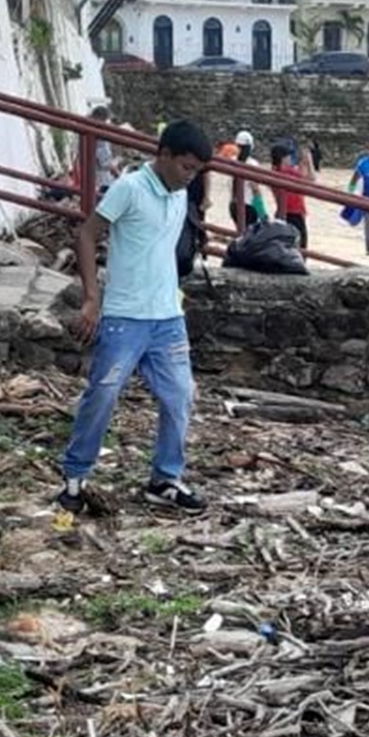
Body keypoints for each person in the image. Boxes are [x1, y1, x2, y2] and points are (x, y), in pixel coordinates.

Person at [56, 120, 213, 518]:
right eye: (186, 167)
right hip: (125, 316)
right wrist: (92, 298)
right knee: (103, 394)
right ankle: (75, 476)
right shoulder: (129, 188)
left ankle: (165, 479)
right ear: (164, 155)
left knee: (180, 396)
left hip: (168, 317)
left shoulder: (180, 193)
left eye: (197, 170)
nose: (190, 176)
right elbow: (87, 234)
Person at [269, 140, 311, 249]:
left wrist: (303, 163)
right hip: (294, 214)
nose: (290, 158)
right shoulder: (287, 172)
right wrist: (308, 162)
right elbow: (310, 179)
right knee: (300, 247)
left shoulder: (273, 172)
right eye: (288, 156)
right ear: (283, 158)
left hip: (282, 213)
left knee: (285, 247)